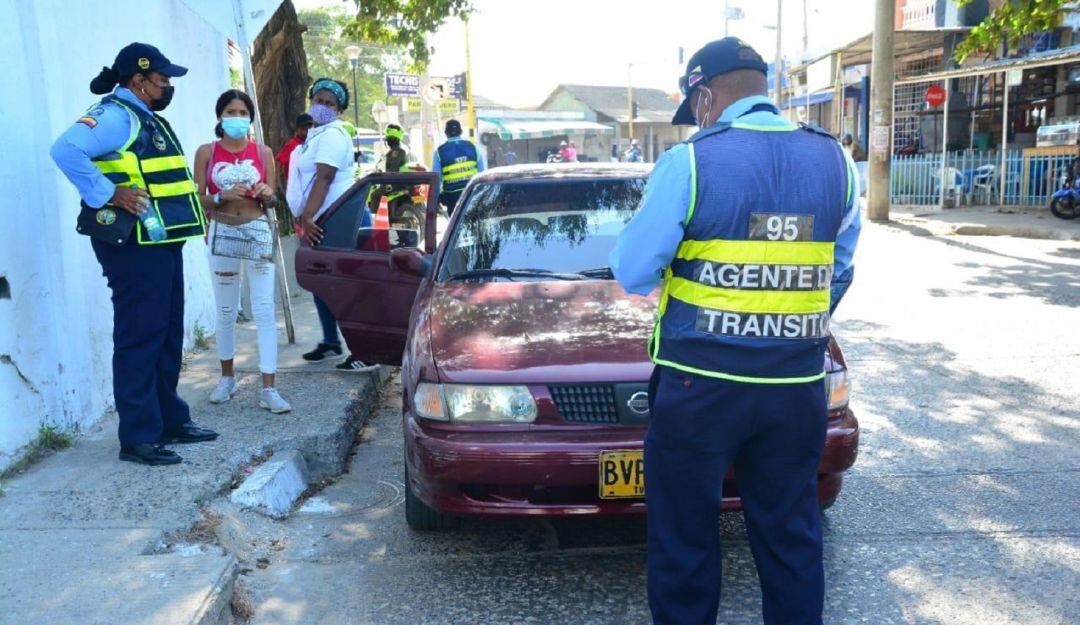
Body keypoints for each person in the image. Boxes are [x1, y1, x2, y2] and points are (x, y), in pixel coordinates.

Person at [609, 38, 861, 625]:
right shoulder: (835, 161)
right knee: (790, 537)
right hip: (797, 385)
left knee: (685, 538)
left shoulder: (691, 161)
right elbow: (839, 271)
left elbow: (631, 269)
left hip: (700, 388)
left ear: (703, 97)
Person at [50, 42, 219, 466]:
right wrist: (110, 193)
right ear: (138, 81)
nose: (167, 87)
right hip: (134, 245)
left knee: (166, 333)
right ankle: (138, 436)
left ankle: (168, 420)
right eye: (162, 80)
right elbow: (65, 150)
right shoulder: (113, 115)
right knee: (140, 334)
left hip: (160, 240)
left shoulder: (143, 115)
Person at [193, 90, 291, 414]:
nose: (237, 117)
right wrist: (220, 196)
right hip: (221, 232)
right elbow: (197, 199)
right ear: (220, 116)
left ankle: (269, 387)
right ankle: (226, 378)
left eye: (242, 111)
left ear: (250, 116)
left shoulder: (263, 152)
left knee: (264, 309)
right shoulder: (207, 152)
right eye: (230, 111)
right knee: (225, 311)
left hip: (257, 231)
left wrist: (266, 193)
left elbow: (274, 199)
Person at [286, 77, 376, 372]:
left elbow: (324, 178)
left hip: (340, 220)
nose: (322, 106)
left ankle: (365, 350)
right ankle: (330, 342)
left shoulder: (334, 135)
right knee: (320, 282)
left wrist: (307, 217)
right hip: (323, 220)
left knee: (344, 287)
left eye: (330, 103)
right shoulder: (316, 134)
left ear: (340, 110)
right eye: (319, 100)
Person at [432, 119, 485, 215]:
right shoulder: (473, 147)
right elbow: (482, 174)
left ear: (446, 133)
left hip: (451, 197)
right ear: (461, 132)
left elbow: (436, 179)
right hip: (472, 194)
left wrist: (436, 200)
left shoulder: (439, 152)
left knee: (456, 227)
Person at [275, 112, 313, 187]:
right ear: (297, 129)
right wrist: (279, 185)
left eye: (309, 127)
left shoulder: (312, 143)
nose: (306, 130)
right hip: (295, 187)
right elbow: (278, 161)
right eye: (303, 128)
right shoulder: (292, 145)